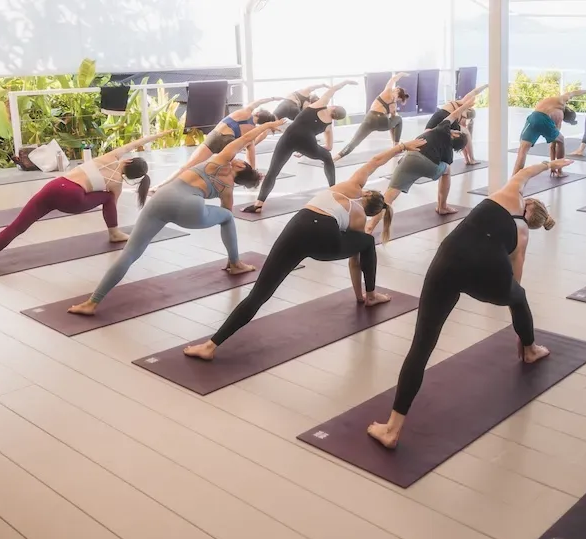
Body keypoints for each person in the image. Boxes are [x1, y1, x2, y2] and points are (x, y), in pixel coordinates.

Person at [365, 159, 566, 449]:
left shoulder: (510, 194)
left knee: (421, 346)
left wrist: (551, 163)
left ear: (528, 201)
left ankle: (392, 428)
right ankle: (531, 349)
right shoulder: (522, 235)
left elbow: (525, 172)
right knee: (520, 298)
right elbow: (516, 283)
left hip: (448, 263)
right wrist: (511, 303)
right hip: (487, 273)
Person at [181, 142, 416, 362]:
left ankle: (210, 346)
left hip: (297, 225)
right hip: (324, 237)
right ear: (374, 210)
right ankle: (373, 296)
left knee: (260, 293)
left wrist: (402, 147)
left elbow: (375, 160)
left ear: (367, 193)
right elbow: (355, 262)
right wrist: (361, 296)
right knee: (366, 241)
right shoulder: (358, 218)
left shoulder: (352, 185)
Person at [66, 120, 284, 316]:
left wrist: (266, 125)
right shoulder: (227, 188)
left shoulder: (219, 161)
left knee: (130, 253)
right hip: (190, 208)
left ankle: (92, 302)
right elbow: (226, 214)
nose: (238, 157)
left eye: (241, 160)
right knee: (226, 218)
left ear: (240, 166)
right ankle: (235, 263)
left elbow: (246, 138)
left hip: (161, 199)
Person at [0, 131, 171, 270]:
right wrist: (111, 221)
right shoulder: (116, 184)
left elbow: (136, 143)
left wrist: (160, 134)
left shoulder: (109, 157)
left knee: (18, 226)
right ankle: (114, 234)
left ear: (128, 160)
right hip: (74, 200)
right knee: (107, 198)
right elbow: (111, 205)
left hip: (54, 187)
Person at [244, 81, 356, 214]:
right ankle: (333, 189)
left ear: (334, 107)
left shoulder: (319, 105)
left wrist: (346, 82)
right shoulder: (328, 126)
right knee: (327, 158)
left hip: (289, 138)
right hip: (307, 143)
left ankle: (259, 204)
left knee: (273, 171)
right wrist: (308, 151)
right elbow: (328, 147)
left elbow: (333, 89)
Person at [363, 101, 474, 233]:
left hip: (410, 157)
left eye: (456, 131)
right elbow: (444, 165)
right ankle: (442, 206)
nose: (455, 129)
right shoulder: (449, 153)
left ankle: (371, 225)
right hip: (430, 165)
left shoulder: (443, 128)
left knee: (390, 195)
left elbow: (455, 114)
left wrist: (466, 104)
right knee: (447, 171)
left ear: (455, 135)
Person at [158, 97, 283, 188]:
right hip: (228, 144)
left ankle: (160, 186)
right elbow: (250, 148)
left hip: (215, 137)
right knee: (248, 147)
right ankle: (252, 174)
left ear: (258, 113)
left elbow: (258, 102)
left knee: (187, 166)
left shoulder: (245, 112)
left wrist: (272, 99)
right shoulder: (252, 129)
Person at [513, 88, 586, 178]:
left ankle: (514, 178)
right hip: (543, 119)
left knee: (522, 151)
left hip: (533, 117)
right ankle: (560, 171)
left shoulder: (559, 100)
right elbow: (553, 145)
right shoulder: (560, 112)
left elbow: (574, 92)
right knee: (561, 140)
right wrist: (553, 166)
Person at [336, 72, 411, 160]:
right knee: (399, 120)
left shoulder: (387, 91)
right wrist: (395, 143)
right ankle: (395, 147)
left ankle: (335, 158)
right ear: (399, 94)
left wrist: (401, 74)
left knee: (354, 142)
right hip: (381, 121)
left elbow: (393, 79)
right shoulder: (393, 105)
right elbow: (393, 122)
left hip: (369, 117)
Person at [425, 83, 488, 166]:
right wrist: (486, 85)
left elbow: (462, 140)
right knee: (465, 134)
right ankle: (471, 159)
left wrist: (486, 85)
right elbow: (475, 92)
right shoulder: (463, 109)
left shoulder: (461, 107)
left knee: (461, 135)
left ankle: (468, 159)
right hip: (442, 118)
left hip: (435, 120)